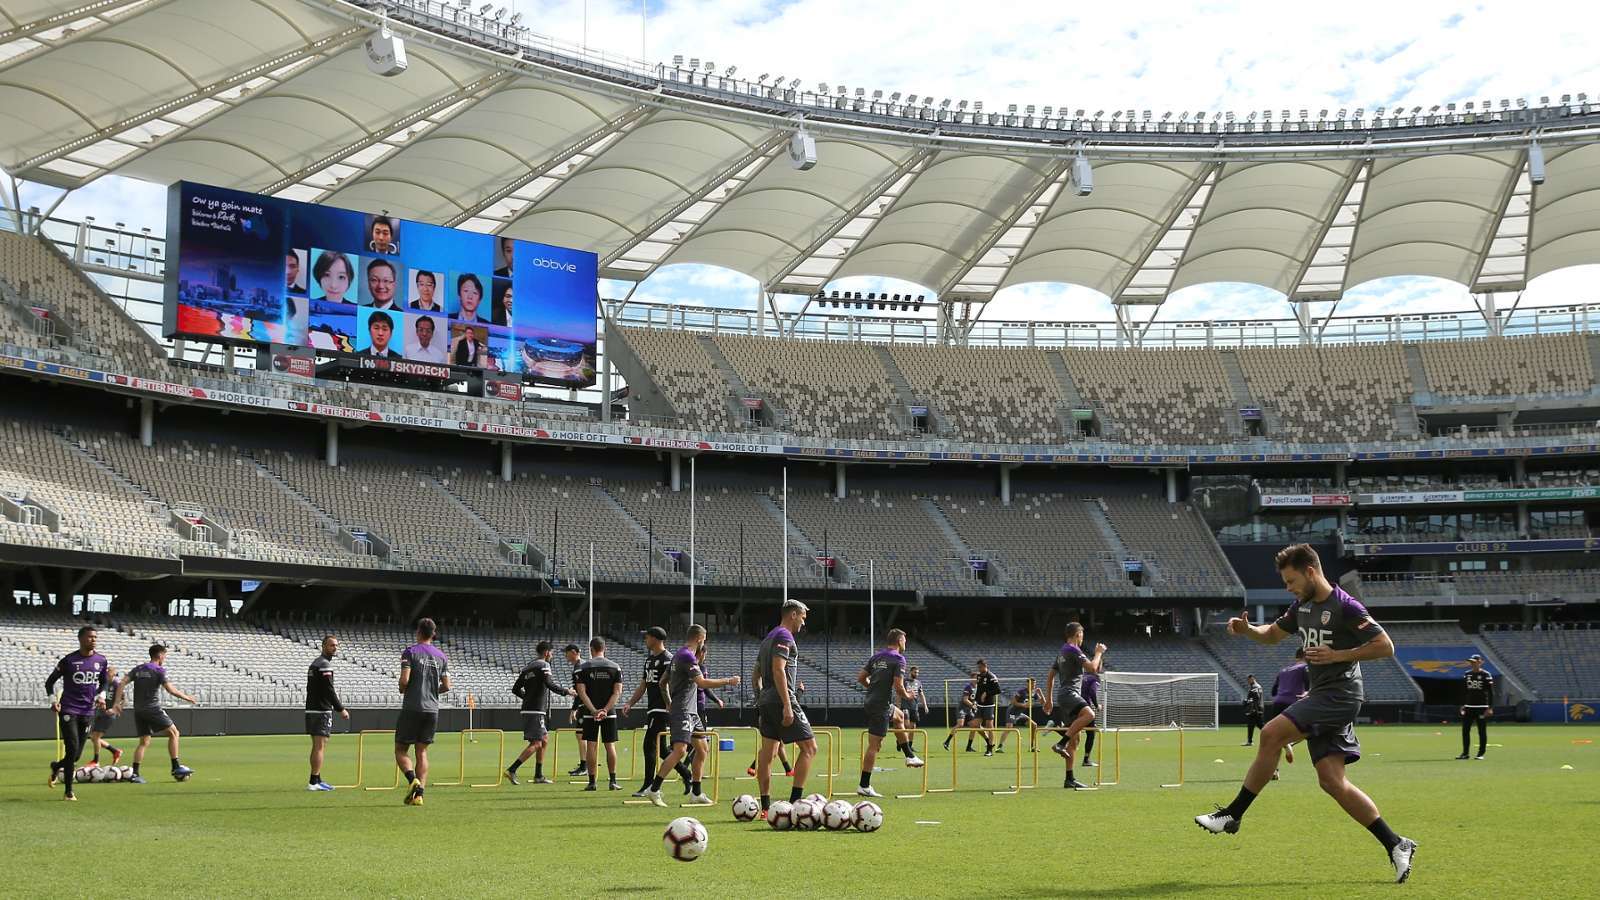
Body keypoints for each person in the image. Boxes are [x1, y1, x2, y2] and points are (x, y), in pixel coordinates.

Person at [1195, 543, 1417, 885]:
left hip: (1339, 694)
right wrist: (1247, 630)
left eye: (1291, 580)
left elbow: (1385, 645)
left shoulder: (1345, 606)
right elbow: (1272, 635)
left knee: (1270, 734)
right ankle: (1396, 843)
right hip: (1324, 695)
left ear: (1311, 572)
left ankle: (1232, 814)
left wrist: (1339, 654)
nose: (1288, 588)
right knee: (1332, 781)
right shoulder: (1302, 606)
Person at [645, 625, 740, 808]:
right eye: (704, 639)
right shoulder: (686, 656)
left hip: (691, 711)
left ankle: (696, 793)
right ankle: (654, 789)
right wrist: (729, 681)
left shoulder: (677, 656)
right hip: (683, 711)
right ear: (700, 638)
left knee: (702, 749)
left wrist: (668, 702)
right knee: (680, 750)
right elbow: (702, 682)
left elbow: (662, 683)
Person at [752, 600, 818, 815]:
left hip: (766, 700)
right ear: (793, 614)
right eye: (802, 617)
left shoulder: (767, 639)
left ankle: (765, 807)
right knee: (810, 748)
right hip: (782, 698)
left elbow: (756, 675)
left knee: (768, 753)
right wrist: (787, 705)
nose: (803, 623)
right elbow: (778, 670)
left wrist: (760, 698)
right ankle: (795, 804)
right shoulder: (784, 636)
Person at [115, 644, 198, 784]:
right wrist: (187, 697)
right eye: (164, 655)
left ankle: (135, 774)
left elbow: (122, 682)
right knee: (174, 733)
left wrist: (117, 702)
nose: (165, 658)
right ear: (159, 655)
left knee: (144, 742)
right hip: (152, 708)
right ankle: (175, 766)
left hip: (139, 710)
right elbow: (170, 690)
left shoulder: (139, 668)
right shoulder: (159, 670)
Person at [623, 627, 691, 796]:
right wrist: (630, 702)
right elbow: (643, 685)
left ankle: (649, 785)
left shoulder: (668, 659)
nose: (645, 639)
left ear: (656, 638)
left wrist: (670, 704)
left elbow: (670, 684)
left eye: (647, 637)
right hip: (653, 707)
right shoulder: (649, 660)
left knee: (649, 745)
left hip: (662, 708)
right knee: (662, 750)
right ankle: (686, 774)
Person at [45, 625, 109, 801]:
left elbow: (104, 682)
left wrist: (101, 695)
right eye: (90, 637)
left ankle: (57, 766)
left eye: (95, 637)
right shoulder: (69, 660)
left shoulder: (101, 660)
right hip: (69, 708)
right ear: (80, 639)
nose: (93, 639)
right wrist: (53, 701)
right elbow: (49, 682)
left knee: (76, 754)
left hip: (88, 710)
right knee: (72, 748)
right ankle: (68, 792)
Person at [857, 629, 924, 798]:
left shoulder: (876, 657)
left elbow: (861, 678)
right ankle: (864, 785)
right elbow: (898, 686)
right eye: (905, 640)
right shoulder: (898, 658)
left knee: (899, 716)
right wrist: (908, 695)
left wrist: (873, 689)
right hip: (880, 705)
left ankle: (909, 756)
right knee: (874, 746)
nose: (905, 644)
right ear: (900, 640)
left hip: (876, 702)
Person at [1042, 623, 1104, 790]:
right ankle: (1061, 743)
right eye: (1082, 634)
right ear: (1078, 634)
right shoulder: (1073, 650)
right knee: (1089, 715)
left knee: (1075, 740)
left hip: (1064, 696)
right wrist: (1098, 653)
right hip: (1070, 694)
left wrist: (1049, 700)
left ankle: (1069, 779)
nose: (1083, 638)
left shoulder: (1062, 650)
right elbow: (1092, 668)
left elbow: (1050, 675)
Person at [395, 618, 450, 807]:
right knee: (422, 752)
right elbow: (447, 686)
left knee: (401, 749)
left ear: (418, 631)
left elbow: (404, 680)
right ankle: (419, 796)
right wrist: (432, 691)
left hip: (412, 707)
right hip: (432, 710)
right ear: (433, 634)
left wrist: (403, 689)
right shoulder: (442, 656)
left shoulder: (410, 652)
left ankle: (413, 780)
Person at [506, 640, 568, 785]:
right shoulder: (544, 665)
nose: (551, 656)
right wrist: (566, 692)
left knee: (544, 740)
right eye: (551, 653)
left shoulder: (528, 668)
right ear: (546, 652)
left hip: (529, 708)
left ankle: (538, 775)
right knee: (536, 743)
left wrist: (527, 698)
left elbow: (515, 689)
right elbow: (549, 683)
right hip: (535, 710)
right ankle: (512, 769)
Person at [574, 636, 624, 792]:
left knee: (591, 746)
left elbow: (581, 692)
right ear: (605, 649)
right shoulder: (615, 667)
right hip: (609, 712)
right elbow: (617, 692)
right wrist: (605, 710)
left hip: (590, 712)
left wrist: (594, 710)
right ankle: (613, 781)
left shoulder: (583, 668)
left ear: (591, 649)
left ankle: (592, 782)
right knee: (610, 746)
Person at [305, 635, 349, 791]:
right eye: (331, 645)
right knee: (320, 746)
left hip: (312, 709)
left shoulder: (315, 664)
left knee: (317, 745)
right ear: (323, 646)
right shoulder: (324, 665)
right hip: (320, 710)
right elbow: (329, 690)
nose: (335, 648)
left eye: (336, 645)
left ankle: (316, 778)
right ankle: (313, 782)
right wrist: (340, 709)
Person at [1268, 648, 1308, 779]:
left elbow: (1273, 691)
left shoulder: (1283, 670)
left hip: (1278, 703)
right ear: (1305, 656)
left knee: (1274, 740)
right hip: (1294, 702)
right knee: (1311, 730)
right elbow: (1310, 686)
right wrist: (1307, 693)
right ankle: (1289, 743)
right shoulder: (1305, 668)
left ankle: (1274, 772)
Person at [1458, 654, 1494, 760]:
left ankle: (1480, 754)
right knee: (1465, 730)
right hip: (1469, 706)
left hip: (1482, 707)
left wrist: (1490, 707)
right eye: (1471, 662)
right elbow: (1464, 691)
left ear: (1480, 662)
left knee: (1481, 731)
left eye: (1475, 662)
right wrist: (1463, 705)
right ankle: (1465, 753)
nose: (1473, 664)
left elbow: (1491, 692)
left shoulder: (1486, 675)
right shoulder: (1467, 674)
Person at [87, 664, 123, 769]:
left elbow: (124, 699)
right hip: (100, 712)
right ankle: (115, 751)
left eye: (109, 673)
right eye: (106, 673)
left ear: (113, 674)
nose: (107, 675)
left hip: (108, 714)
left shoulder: (116, 685)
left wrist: (115, 709)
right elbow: (95, 694)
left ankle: (96, 760)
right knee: (93, 738)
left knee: (96, 737)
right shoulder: (104, 684)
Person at [562, 644, 590, 778]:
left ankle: (585, 766)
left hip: (585, 706)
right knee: (584, 735)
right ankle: (586, 764)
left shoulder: (579, 667)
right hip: (588, 704)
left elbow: (580, 691)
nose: (565, 656)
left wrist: (574, 709)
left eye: (566, 653)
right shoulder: (584, 665)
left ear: (573, 652)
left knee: (581, 735)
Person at [972, 659, 1003, 756]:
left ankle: (989, 750)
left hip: (989, 705)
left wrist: (987, 693)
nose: (979, 669)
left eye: (980, 667)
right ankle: (988, 741)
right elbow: (979, 690)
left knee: (989, 726)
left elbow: (998, 690)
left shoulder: (991, 676)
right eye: (978, 667)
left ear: (985, 666)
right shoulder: (979, 676)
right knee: (975, 725)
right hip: (980, 705)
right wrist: (975, 701)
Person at [942, 676, 979, 751]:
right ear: (972, 679)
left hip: (969, 710)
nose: (976, 679)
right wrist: (973, 706)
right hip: (962, 708)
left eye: (977, 678)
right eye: (975, 678)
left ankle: (969, 747)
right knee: (960, 724)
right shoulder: (968, 687)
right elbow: (965, 699)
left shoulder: (978, 687)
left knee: (974, 726)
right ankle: (947, 742)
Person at [1080, 667, 1101, 768]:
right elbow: (1092, 692)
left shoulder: (1082, 676)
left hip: (1073, 703)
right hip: (1084, 707)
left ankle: (1057, 728)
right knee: (1091, 733)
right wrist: (1097, 706)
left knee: (1072, 729)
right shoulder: (1095, 678)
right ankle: (1086, 759)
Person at [1243, 675, 1265, 746]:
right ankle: (1249, 741)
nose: (1248, 681)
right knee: (1254, 725)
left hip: (1255, 709)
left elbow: (1256, 697)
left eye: (1249, 680)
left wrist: (1248, 702)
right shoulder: (1258, 686)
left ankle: (1273, 735)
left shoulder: (1255, 687)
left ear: (1252, 679)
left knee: (1258, 725)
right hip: (1258, 708)